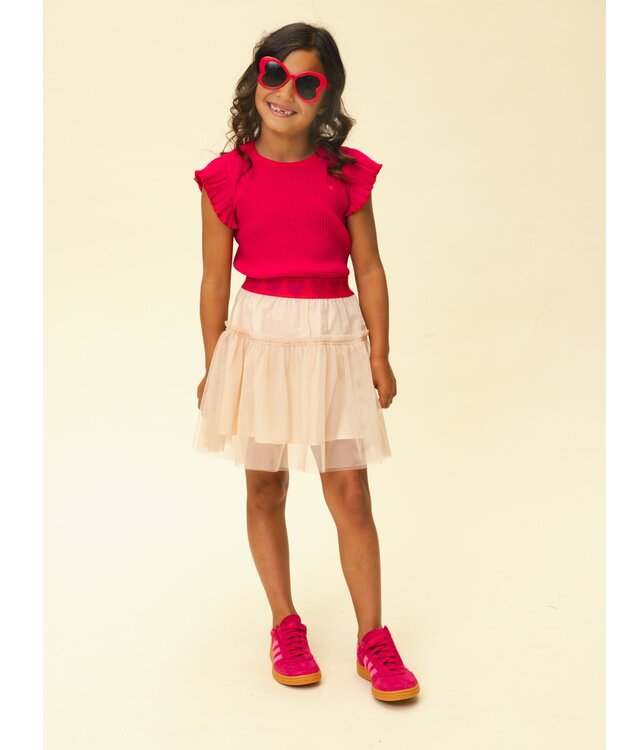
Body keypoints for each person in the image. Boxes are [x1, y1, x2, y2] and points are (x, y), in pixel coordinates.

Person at [193, 22, 420, 702]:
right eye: (274, 74)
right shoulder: (227, 177)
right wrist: (214, 363)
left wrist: (380, 351)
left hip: (331, 335)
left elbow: (370, 268)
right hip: (259, 339)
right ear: (255, 80)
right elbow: (213, 280)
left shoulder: (345, 174)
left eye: (307, 82)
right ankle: (284, 623)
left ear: (327, 97)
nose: (286, 92)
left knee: (349, 489)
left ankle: (373, 637)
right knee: (265, 487)